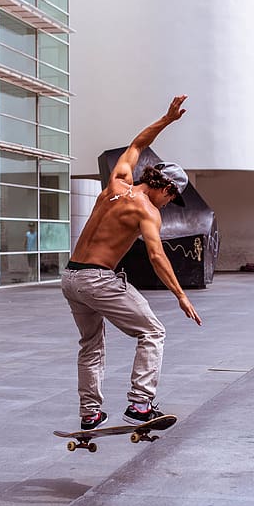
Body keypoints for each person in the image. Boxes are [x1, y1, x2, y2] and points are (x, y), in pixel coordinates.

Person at [61, 95, 202, 431]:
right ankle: (140, 405)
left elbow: (139, 142)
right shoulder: (146, 210)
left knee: (91, 344)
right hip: (97, 280)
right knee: (153, 331)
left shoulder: (117, 181)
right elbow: (156, 256)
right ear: (166, 187)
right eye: (171, 198)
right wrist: (181, 295)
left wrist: (166, 119)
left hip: (71, 278)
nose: (168, 205)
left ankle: (90, 412)